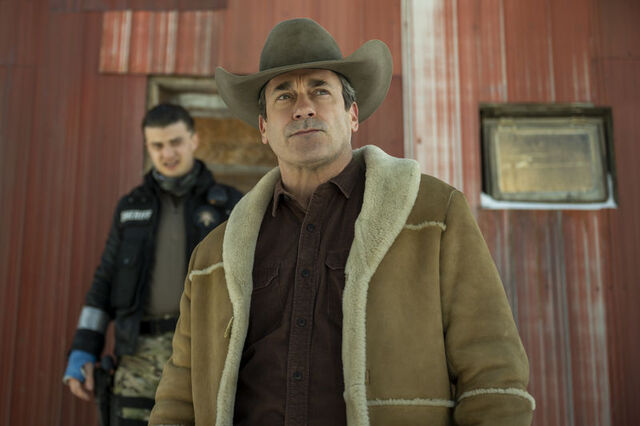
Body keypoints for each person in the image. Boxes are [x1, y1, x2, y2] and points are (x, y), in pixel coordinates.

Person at [149, 18, 535, 426]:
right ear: (264, 127)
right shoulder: (212, 257)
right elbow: (177, 402)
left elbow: (494, 377)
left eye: (320, 90)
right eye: (284, 96)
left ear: (352, 114)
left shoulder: (434, 215)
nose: (303, 107)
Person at [63, 103, 242, 425]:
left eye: (175, 142)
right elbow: (105, 281)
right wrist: (84, 348)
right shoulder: (130, 207)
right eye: (157, 145)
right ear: (147, 147)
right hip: (137, 355)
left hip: (202, 350)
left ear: (194, 140)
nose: (167, 153)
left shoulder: (229, 206)